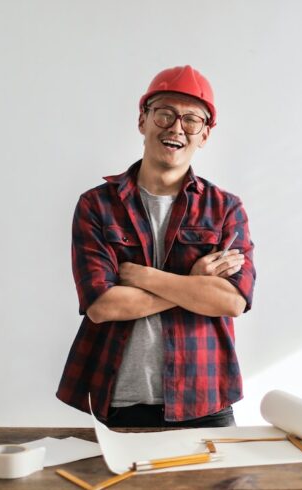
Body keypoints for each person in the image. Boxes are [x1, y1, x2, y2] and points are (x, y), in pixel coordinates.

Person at [56, 65, 256, 428]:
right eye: (164, 113)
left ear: (205, 135)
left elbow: (231, 302)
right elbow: (102, 306)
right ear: (142, 120)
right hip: (121, 401)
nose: (177, 128)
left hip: (206, 401)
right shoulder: (97, 206)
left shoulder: (226, 208)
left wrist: (144, 276)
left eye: (192, 120)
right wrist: (194, 282)